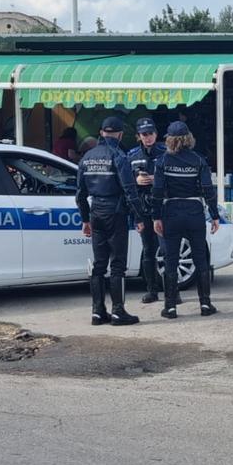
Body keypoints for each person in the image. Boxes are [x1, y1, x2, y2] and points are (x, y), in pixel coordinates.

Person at [76, 116, 141, 326]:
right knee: (118, 265)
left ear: (102, 133)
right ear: (120, 134)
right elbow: (129, 189)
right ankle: (118, 311)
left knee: (99, 265)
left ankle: (97, 312)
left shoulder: (87, 157)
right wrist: (139, 216)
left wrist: (85, 219)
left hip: (96, 212)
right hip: (116, 212)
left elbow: (79, 194)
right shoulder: (118, 156)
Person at [152, 120, 219, 319]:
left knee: (171, 260)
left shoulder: (162, 161)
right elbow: (208, 190)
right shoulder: (199, 160)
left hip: (171, 210)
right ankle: (205, 304)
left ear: (169, 140)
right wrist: (214, 215)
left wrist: (156, 216)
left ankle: (170, 307)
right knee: (200, 258)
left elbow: (157, 191)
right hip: (194, 211)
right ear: (189, 138)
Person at [127, 117, 166, 304]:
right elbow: (125, 183)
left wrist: (155, 179)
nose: (148, 137)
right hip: (142, 208)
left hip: (163, 207)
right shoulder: (132, 155)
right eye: (144, 134)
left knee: (168, 250)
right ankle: (152, 290)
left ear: (156, 134)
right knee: (148, 250)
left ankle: (173, 291)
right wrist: (136, 181)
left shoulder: (166, 153)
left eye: (150, 133)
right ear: (138, 136)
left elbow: (174, 180)